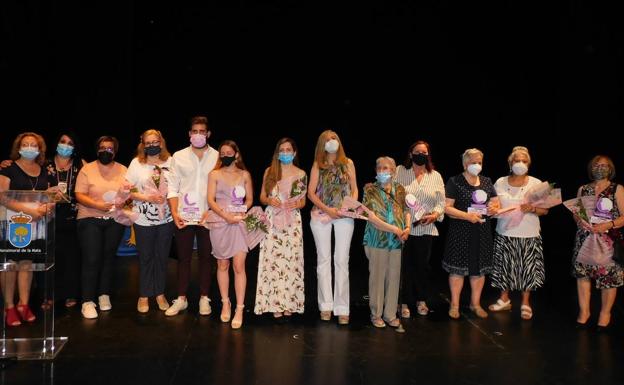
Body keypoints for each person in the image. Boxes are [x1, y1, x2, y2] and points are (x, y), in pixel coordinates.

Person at [165, 116, 219, 317]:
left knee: (206, 258)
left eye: (202, 132)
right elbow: (172, 187)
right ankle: (181, 299)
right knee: (184, 258)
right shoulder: (178, 156)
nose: (198, 135)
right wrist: (175, 212)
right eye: (194, 131)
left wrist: (213, 211)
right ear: (189, 134)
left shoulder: (217, 157)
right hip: (184, 216)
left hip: (208, 215)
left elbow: (222, 187)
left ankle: (205, 298)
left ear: (208, 134)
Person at [0, 132, 55, 326]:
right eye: (26, 144)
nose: (30, 147)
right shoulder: (8, 168)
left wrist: (48, 205)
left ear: (39, 149)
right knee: (11, 264)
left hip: (35, 224)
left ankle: (23, 304)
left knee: (27, 262)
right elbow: (2, 197)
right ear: (19, 147)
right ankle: (9, 306)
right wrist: (28, 211)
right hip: (12, 223)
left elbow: (48, 195)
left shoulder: (43, 170)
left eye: (34, 144)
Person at [489, 146, 548, 320]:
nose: (520, 163)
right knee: (504, 268)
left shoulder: (537, 184)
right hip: (504, 231)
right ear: (510, 163)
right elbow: (493, 204)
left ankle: (525, 302)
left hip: (529, 233)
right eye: (517, 160)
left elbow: (545, 211)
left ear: (529, 164)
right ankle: (504, 299)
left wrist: (533, 208)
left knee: (527, 269)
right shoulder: (500, 182)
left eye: (524, 161)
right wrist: (492, 208)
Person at [308, 129, 358, 325]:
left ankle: (342, 307)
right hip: (321, 215)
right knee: (323, 260)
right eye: (327, 139)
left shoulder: (348, 163)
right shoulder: (317, 165)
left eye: (334, 138)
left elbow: (354, 189)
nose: (331, 141)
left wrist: (347, 206)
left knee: (341, 260)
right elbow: (311, 193)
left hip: (344, 215)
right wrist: (328, 210)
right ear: (322, 144)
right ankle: (326, 306)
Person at [75, 136, 127, 319]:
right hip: (90, 218)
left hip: (114, 220)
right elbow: (79, 194)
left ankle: (104, 294)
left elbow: (129, 193)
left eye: (110, 148)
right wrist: (97, 205)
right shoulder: (87, 169)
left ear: (115, 151)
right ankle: (87, 301)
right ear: (97, 150)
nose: (106, 151)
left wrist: (125, 200)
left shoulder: (123, 169)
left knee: (108, 257)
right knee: (92, 258)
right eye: (103, 148)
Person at [443, 148, 499, 319]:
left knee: (479, 271)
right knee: (458, 271)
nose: (477, 165)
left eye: (479, 162)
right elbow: (446, 208)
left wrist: (493, 208)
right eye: (473, 162)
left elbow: (496, 205)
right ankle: (455, 305)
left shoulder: (487, 182)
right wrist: (467, 216)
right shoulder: (455, 181)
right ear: (465, 164)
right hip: (460, 231)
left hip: (481, 233)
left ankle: (475, 304)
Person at [254, 138, 307, 319]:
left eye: (288, 149)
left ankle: (290, 303)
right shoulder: (270, 171)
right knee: (273, 261)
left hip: (292, 221)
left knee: (291, 261)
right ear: (278, 153)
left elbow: (303, 201)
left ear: (294, 152)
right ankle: (274, 302)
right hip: (272, 220)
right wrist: (270, 200)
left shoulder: (301, 174)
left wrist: (296, 204)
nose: (285, 153)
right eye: (282, 150)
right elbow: (261, 196)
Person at [572, 155, 624, 331]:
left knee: (609, 277)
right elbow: (577, 212)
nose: (600, 168)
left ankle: (605, 314)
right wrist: (580, 220)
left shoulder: (617, 189)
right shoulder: (583, 189)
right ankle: (584, 312)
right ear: (590, 168)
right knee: (583, 275)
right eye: (596, 165)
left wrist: (607, 224)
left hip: (608, 239)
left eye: (604, 165)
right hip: (585, 237)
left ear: (611, 168)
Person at [394, 140, 445, 318]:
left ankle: (421, 299)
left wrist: (435, 215)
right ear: (410, 154)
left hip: (426, 229)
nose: (421, 155)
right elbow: (393, 196)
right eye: (417, 151)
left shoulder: (435, 176)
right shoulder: (400, 171)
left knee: (422, 267)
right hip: (405, 228)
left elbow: (441, 203)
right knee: (405, 267)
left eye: (424, 152)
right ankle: (405, 302)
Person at [126, 129, 174, 313]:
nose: (152, 145)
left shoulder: (171, 162)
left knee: (162, 257)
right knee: (145, 257)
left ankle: (160, 293)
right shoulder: (136, 163)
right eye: (148, 143)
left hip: (166, 219)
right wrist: (148, 198)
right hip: (143, 219)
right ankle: (144, 295)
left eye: (155, 142)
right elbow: (128, 192)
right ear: (143, 145)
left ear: (161, 143)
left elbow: (177, 187)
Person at [207, 140, 253, 329]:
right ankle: (226, 303)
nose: (225, 155)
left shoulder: (245, 175)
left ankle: (240, 308)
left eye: (229, 152)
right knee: (222, 263)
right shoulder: (214, 174)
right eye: (222, 153)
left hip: (239, 221)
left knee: (239, 265)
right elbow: (210, 200)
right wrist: (225, 215)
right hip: (220, 221)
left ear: (236, 154)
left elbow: (249, 199)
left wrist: (242, 210)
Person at [361, 156, 410, 328]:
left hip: (396, 242)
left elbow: (406, 210)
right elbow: (371, 217)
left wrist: (407, 228)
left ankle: (390, 314)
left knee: (394, 278)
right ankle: (376, 314)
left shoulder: (400, 189)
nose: (382, 171)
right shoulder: (369, 189)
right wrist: (395, 229)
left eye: (386, 168)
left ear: (393, 171)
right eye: (379, 168)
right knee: (377, 278)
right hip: (377, 240)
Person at [45, 132, 85, 308]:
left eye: (70, 143)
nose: (66, 145)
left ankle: (70, 294)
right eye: (62, 142)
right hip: (47, 216)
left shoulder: (81, 164)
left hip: (73, 217)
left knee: (72, 257)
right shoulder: (44, 163)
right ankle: (50, 295)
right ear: (56, 143)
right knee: (51, 257)